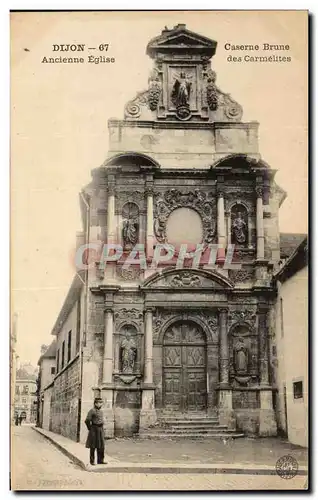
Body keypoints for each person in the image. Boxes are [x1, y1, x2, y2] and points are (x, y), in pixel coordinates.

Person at [85, 398, 107, 466]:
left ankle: (100, 460)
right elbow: (87, 420)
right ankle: (92, 461)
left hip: (100, 430)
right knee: (93, 446)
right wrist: (90, 428)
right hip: (94, 429)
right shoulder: (92, 411)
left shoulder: (101, 411)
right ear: (95, 403)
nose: (99, 404)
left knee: (101, 446)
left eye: (101, 403)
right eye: (98, 403)